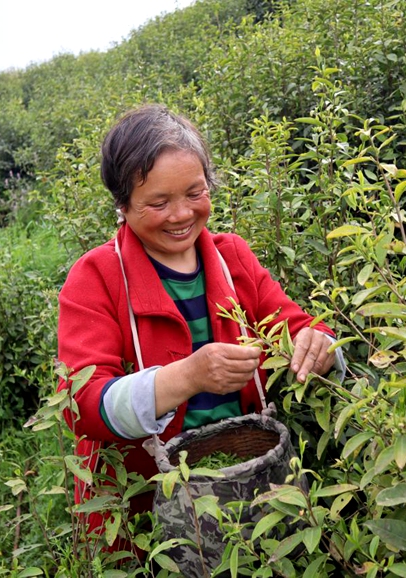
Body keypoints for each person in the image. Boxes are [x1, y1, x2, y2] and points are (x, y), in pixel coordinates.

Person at [57, 104, 340, 532]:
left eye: (195, 193)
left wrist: (318, 345)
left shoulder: (233, 257)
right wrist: (187, 376)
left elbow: (297, 326)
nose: (182, 214)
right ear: (122, 204)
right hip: (145, 513)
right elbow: (83, 404)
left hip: (253, 489)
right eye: (158, 202)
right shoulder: (95, 278)